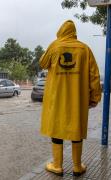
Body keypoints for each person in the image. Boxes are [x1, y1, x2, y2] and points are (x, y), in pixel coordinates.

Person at [39, 20, 102, 177]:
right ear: (74, 32)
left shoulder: (55, 46)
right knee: (76, 130)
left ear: (61, 31)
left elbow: (42, 63)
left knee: (57, 129)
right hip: (77, 100)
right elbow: (94, 76)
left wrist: (53, 46)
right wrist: (94, 97)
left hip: (57, 99)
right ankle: (77, 167)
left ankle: (57, 166)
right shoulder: (85, 49)